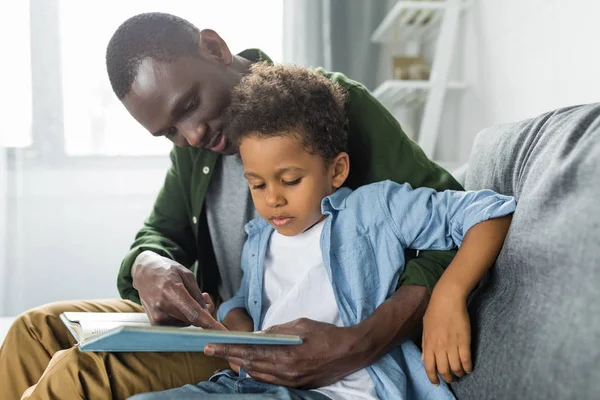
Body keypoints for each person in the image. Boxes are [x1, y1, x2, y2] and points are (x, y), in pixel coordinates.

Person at [0, 12, 463, 400]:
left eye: (189, 105)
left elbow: (454, 221)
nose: (192, 135)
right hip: (218, 323)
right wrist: (147, 264)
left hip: (268, 346)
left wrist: (363, 340)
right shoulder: (194, 151)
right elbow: (159, 232)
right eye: (170, 132)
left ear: (215, 48)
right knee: (33, 331)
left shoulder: (331, 108)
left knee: (77, 376)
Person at [130, 63, 515, 400]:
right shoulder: (260, 236)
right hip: (256, 383)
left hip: (345, 388)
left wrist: (449, 292)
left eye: (290, 180)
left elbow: (489, 212)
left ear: (336, 170)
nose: (273, 201)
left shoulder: (373, 207)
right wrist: (235, 326)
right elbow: (250, 298)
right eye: (257, 185)